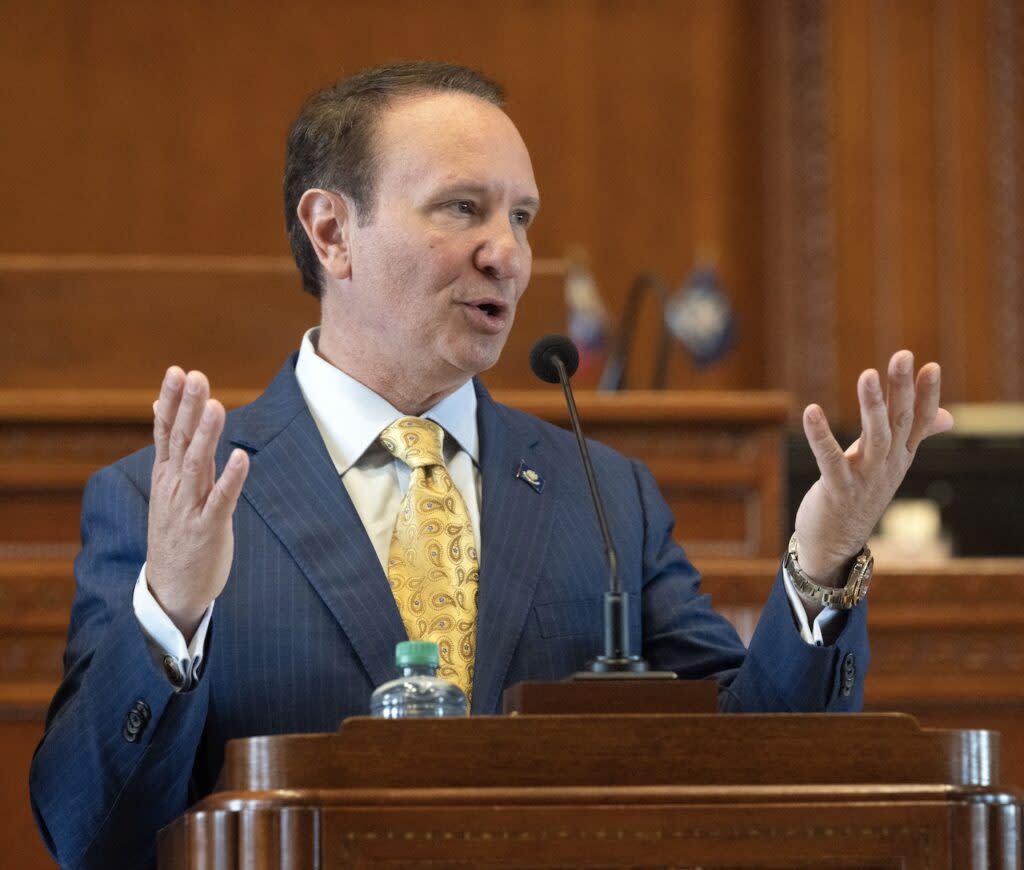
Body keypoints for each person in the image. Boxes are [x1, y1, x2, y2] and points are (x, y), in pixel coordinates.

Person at [29, 61, 953, 870]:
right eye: (462, 209)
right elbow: (91, 836)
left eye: (521, 216)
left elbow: (759, 773)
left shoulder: (608, 497)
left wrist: (823, 558)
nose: (507, 254)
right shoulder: (166, 499)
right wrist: (173, 617)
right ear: (331, 233)